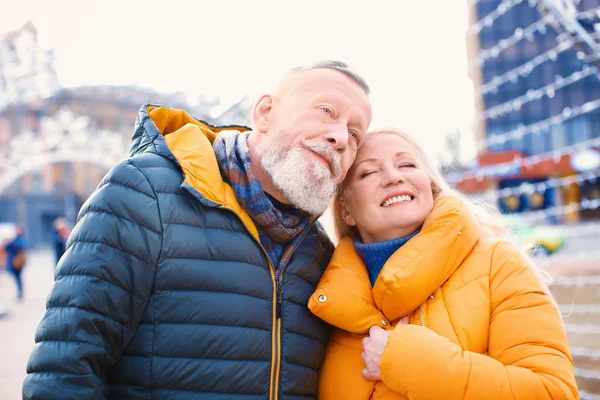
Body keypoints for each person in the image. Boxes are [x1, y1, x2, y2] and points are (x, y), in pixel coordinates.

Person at [23, 60, 372, 399]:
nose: (340, 137)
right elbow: (65, 371)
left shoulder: (323, 253)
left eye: (355, 134)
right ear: (265, 113)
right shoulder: (143, 194)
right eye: (326, 111)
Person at [309, 129, 578, 399]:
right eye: (369, 172)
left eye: (407, 164)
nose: (394, 177)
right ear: (346, 210)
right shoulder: (328, 303)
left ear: (430, 185)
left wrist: (413, 363)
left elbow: (553, 392)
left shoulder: (498, 263)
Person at [3, 226, 27, 301]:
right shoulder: (15, 239)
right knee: (17, 278)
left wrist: (10, 242)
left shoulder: (20, 239)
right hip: (13, 262)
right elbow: (6, 248)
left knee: (18, 278)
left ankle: (20, 293)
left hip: (18, 262)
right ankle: (19, 292)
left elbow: (21, 246)